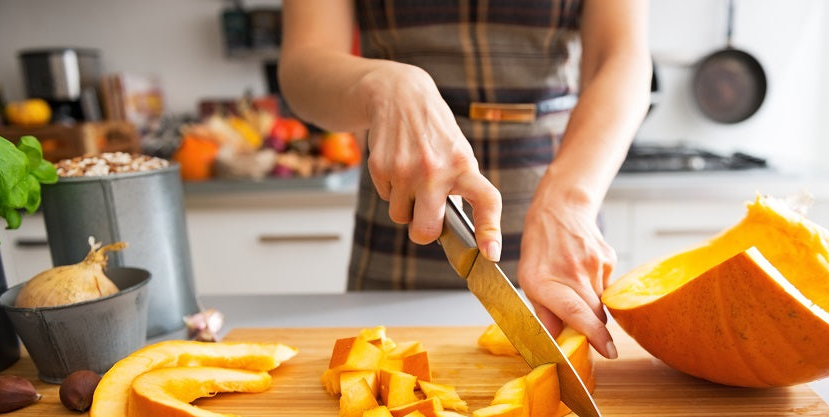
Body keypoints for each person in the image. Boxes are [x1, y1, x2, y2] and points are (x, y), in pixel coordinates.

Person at [278, 0, 651, 360]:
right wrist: (385, 83)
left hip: (561, 208)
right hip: (400, 217)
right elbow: (302, 64)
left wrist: (570, 202)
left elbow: (621, 57)